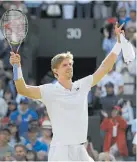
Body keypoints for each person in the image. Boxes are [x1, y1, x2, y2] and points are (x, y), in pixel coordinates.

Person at [10, 23, 124, 161]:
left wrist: (118, 43)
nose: (69, 67)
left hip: (80, 149)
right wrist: (16, 67)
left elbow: (105, 67)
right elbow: (22, 89)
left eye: (70, 64)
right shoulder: (49, 90)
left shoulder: (82, 85)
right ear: (55, 71)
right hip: (60, 150)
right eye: (65, 65)